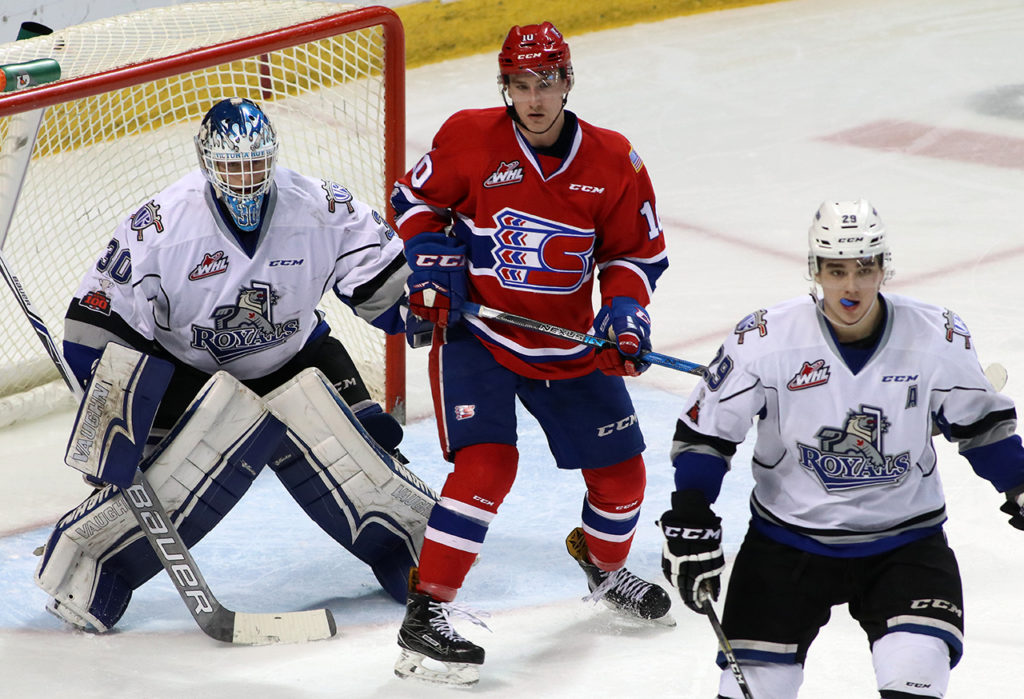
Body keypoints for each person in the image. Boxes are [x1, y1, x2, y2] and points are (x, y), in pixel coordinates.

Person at [34, 97, 435, 633]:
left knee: (362, 459)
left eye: (255, 163)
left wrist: (427, 308)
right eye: (231, 165)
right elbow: (95, 326)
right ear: (206, 162)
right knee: (164, 486)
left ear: (272, 157)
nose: (245, 178)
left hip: (295, 358)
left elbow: (390, 289)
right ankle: (87, 570)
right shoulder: (161, 224)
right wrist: (111, 413)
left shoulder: (320, 205)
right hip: (189, 376)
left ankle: (414, 552)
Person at [389, 22, 671, 686]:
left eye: (547, 83)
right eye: (521, 84)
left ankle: (602, 564)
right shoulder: (469, 138)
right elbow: (414, 201)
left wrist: (626, 309)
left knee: (624, 478)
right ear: (506, 87)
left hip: (569, 342)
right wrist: (432, 264)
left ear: (568, 83)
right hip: (480, 337)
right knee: (487, 467)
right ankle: (427, 610)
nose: (535, 99)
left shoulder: (614, 162)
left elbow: (634, 253)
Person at [659, 199, 1024, 699]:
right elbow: (708, 435)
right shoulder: (764, 339)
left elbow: (981, 425)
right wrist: (692, 508)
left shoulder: (937, 336)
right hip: (787, 545)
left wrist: (1020, 482)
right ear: (815, 271)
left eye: (863, 269)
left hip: (905, 544)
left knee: (915, 680)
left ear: (882, 268)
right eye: (835, 270)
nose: (850, 286)